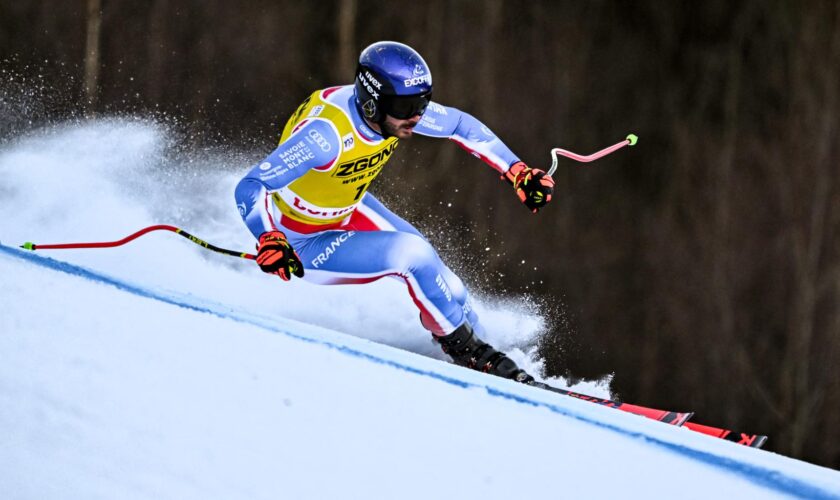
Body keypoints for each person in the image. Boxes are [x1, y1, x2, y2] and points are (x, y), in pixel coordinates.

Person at [235, 41, 554, 384]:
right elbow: (251, 186)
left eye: (422, 103)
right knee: (412, 256)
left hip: (346, 208)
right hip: (302, 240)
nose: (416, 116)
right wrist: (270, 238)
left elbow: (460, 125)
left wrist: (517, 171)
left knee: (448, 285)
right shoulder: (325, 137)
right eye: (406, 106)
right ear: (372, 102)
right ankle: (471, 354)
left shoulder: (395, 112)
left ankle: (495, 354)